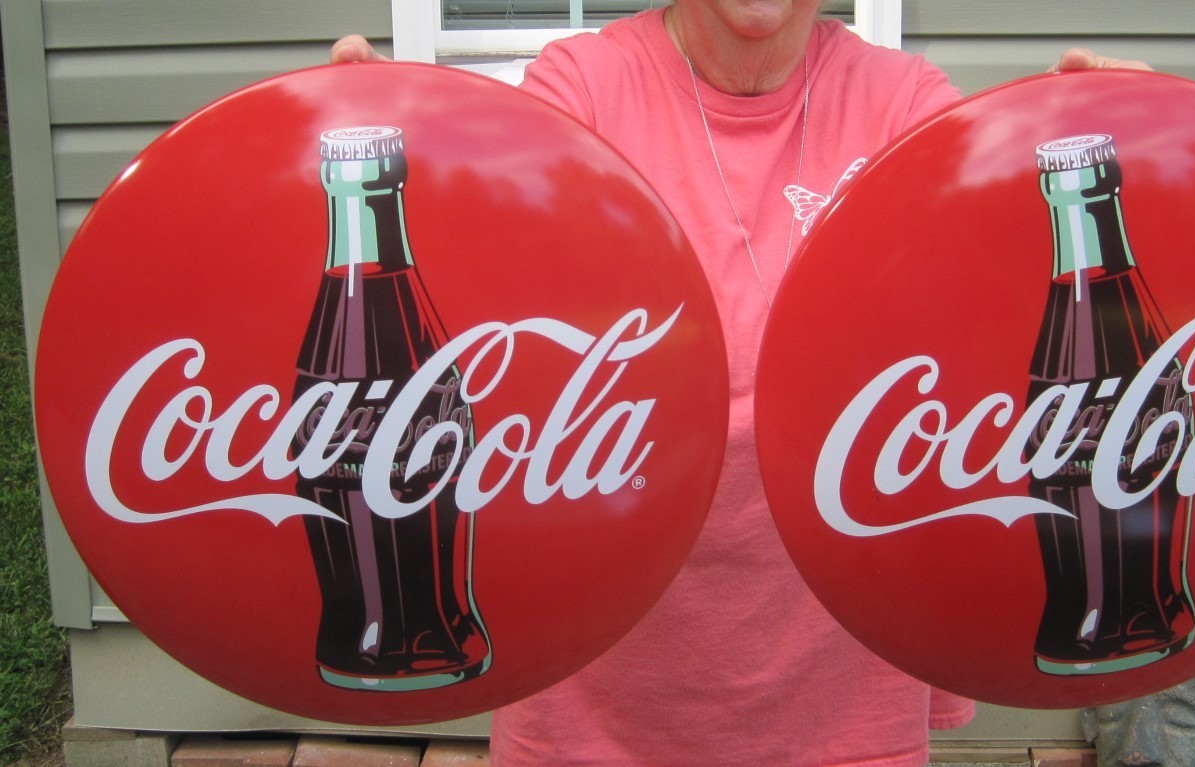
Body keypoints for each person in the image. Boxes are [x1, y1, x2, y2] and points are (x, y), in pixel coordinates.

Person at [333, 5, 1147, 765]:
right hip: (596, 718)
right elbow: (469, 297)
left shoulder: (906, 105)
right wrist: (363, 150)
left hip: (846, 708)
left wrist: (1139, 161)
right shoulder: (579, 91)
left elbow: (1028, 330)